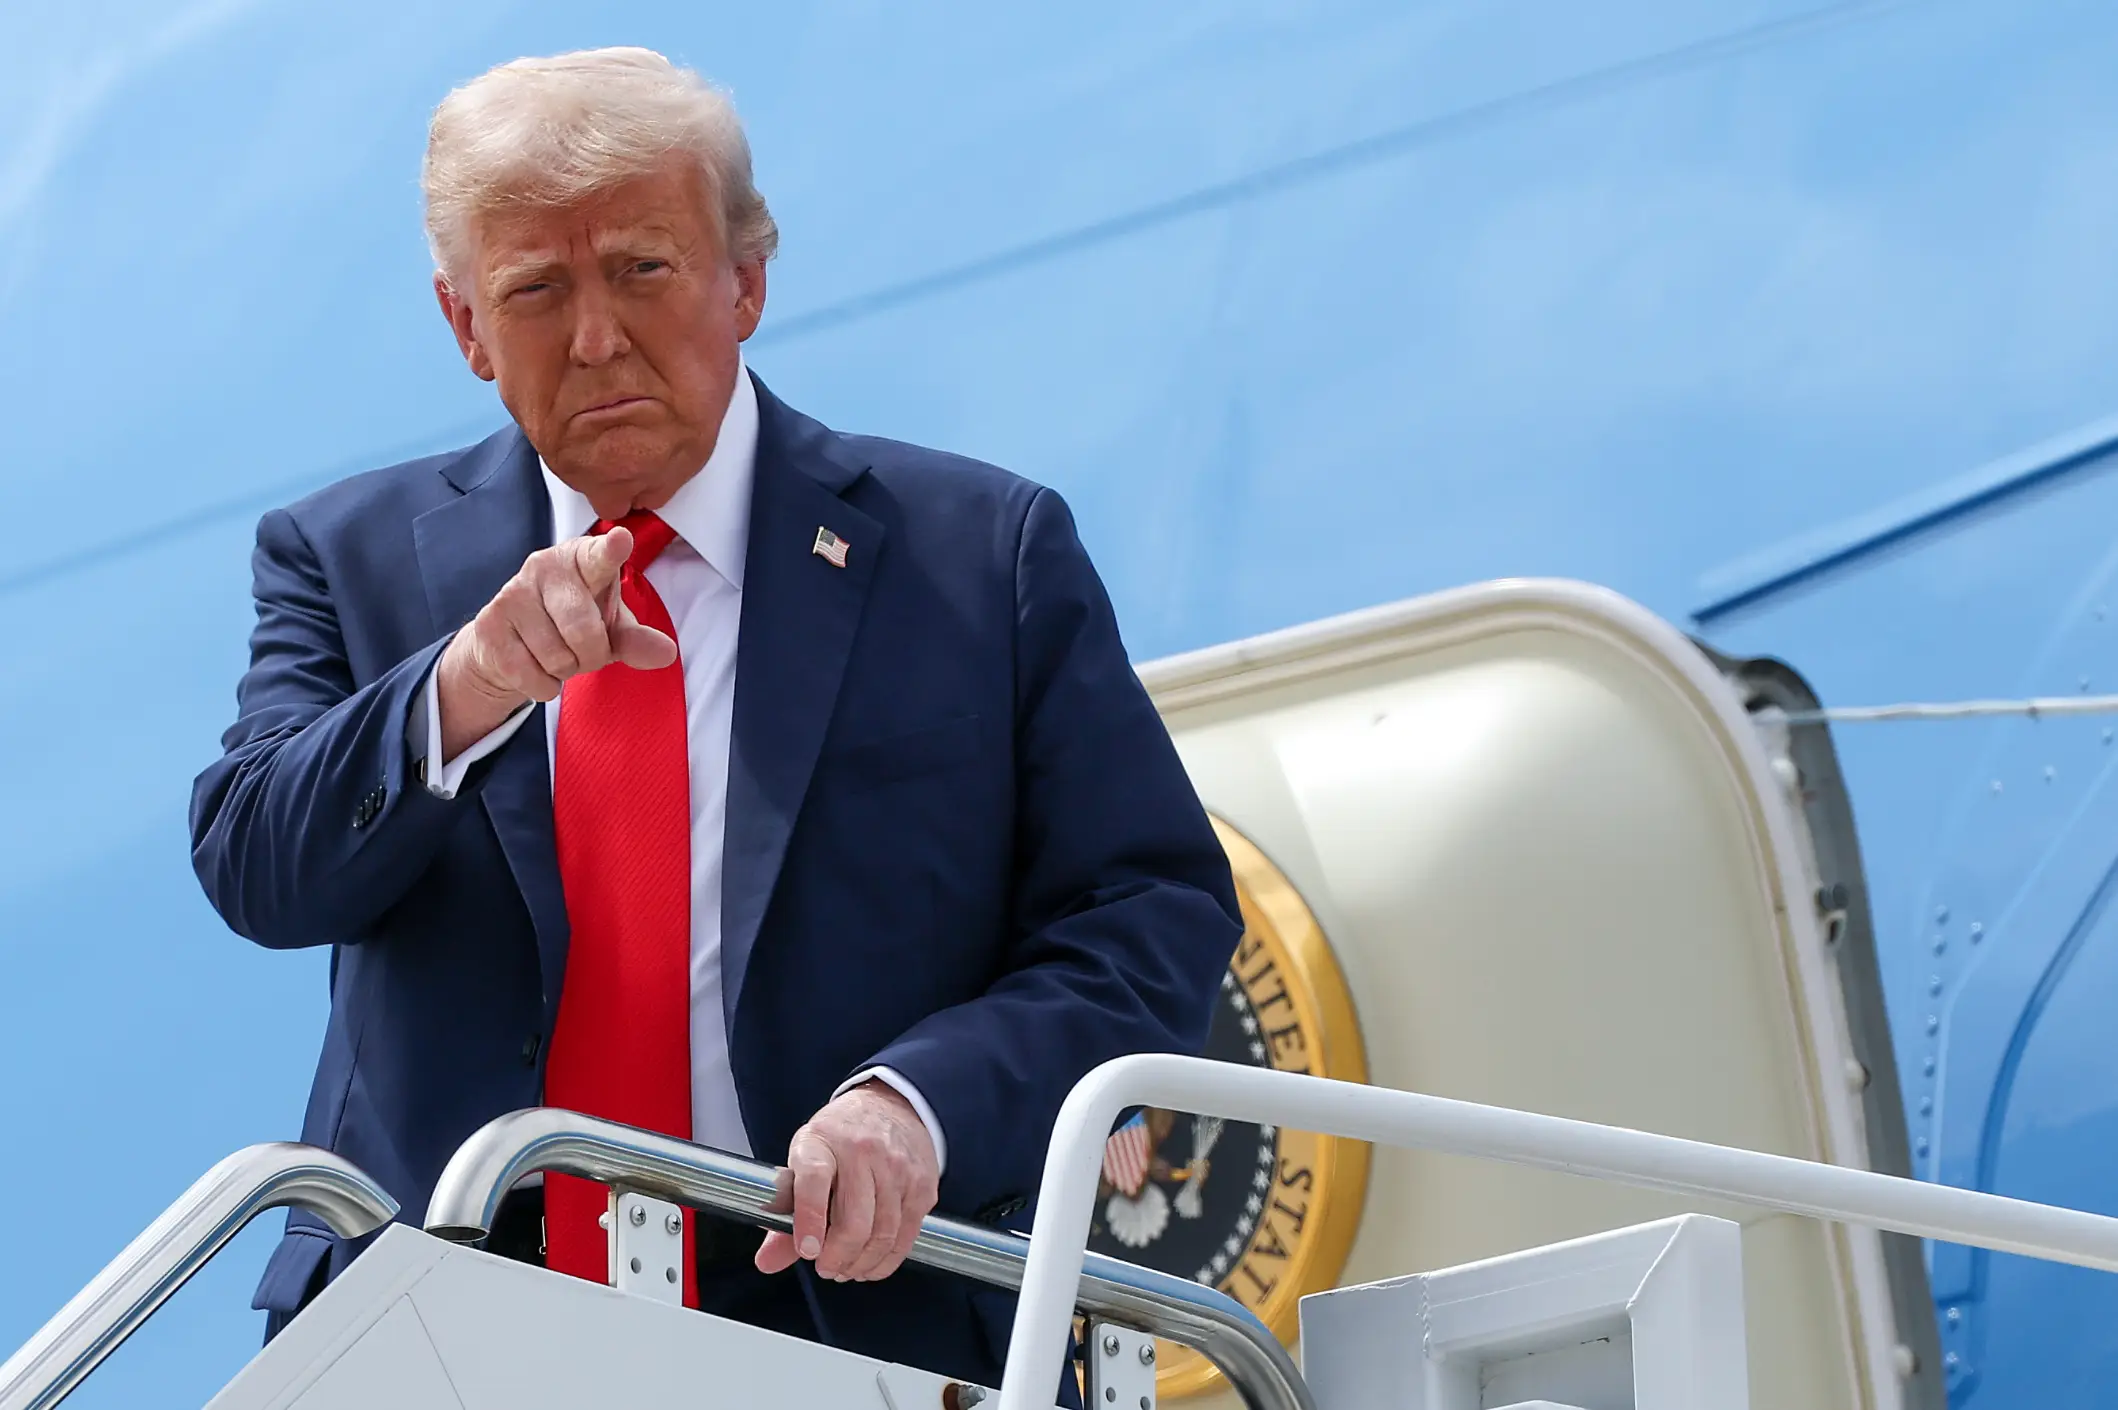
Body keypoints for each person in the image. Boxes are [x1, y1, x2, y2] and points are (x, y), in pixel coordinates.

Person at [187, 45, 1241, 1398]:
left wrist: (917, 1104)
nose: (594, 336)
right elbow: (258, 866)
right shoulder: (348, 561)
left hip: (849, 1324)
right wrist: (466, 686)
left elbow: (1145, 914)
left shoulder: (980, 556)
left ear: (745, 279)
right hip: (442, 1331)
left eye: (641, 268)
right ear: (464, 327)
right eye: (534, 291)